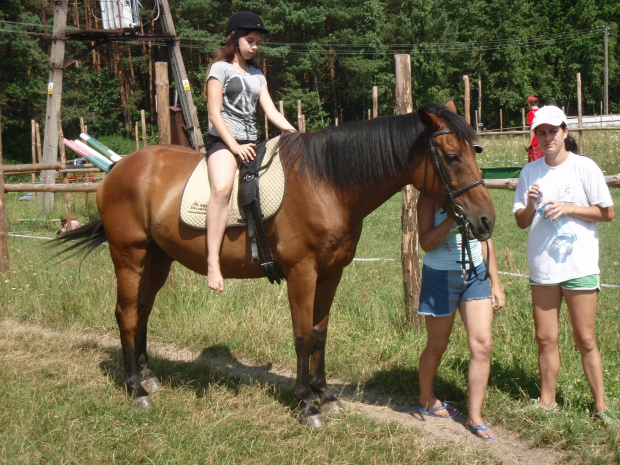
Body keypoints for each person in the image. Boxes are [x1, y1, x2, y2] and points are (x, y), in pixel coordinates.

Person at [512, 105, 616, 425]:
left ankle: (601, 407)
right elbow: (520, 221)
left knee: (585, 339)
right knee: (545, 338)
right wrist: (530, 204)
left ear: (565, 132)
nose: (547, 138)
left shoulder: (585, 167)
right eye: (540, 133)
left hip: (580, 266)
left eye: (552, 131)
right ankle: (547, 401)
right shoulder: (530, 173)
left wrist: (568, 208)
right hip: (544, 269)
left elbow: (607, 212)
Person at [203, 11, 297, 292]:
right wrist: (233, 146)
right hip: (223, 143)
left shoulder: (257, 74)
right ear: (234, 39)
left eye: (257, 42)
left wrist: (295, 134)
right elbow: (214, 114)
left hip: (252, 143)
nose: (254, 46)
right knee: (221, 188)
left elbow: (270, 111)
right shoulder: (218, 69)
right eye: (250, 40)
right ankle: (212, 262)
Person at [417, 192, 505, 441]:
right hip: (440, 276)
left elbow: (486, 239)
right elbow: (425, 243)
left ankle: (474, 416)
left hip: (475, 275)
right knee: (437, 345)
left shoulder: (473, 194)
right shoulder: (427, 198)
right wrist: (450, 220)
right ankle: (426, 398)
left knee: (482, 345)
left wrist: (495, 282)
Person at [525, 96, 544, 163]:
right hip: (543, 140)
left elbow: (532, 129)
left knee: (534, 162)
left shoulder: (531, 113)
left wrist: (529, 143)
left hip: (535, 142)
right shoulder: (543, 112)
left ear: (529, 104)